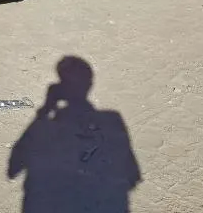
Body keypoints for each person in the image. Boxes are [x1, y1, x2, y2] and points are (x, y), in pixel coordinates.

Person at [8, 56, 141, 213]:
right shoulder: (109, 123)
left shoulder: (46, 129)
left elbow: (14, 167)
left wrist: (45, 111)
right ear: (90, 85)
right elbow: (132, 175)